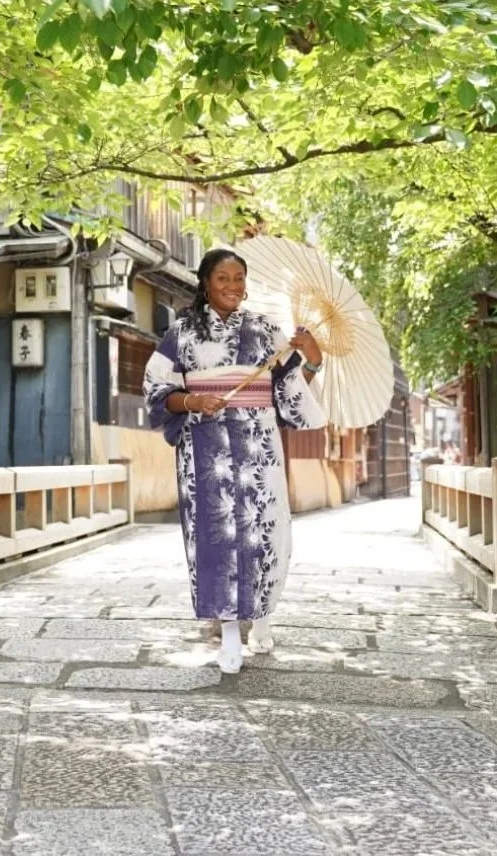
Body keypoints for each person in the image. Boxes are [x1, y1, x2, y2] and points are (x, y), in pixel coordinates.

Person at [143, 248, 327, 673]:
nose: (232, 286)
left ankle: (261, 617)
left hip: (259, 447)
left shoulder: (264, 330)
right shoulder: (181, 334)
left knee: (264, 531)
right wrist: (191, 399)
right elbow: (156, 390)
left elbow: (289, 395)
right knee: (217, 536)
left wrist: (312, 358)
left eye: (239, 278)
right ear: (205, 283)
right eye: (222, 278)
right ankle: (228, 633)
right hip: (204, 450)